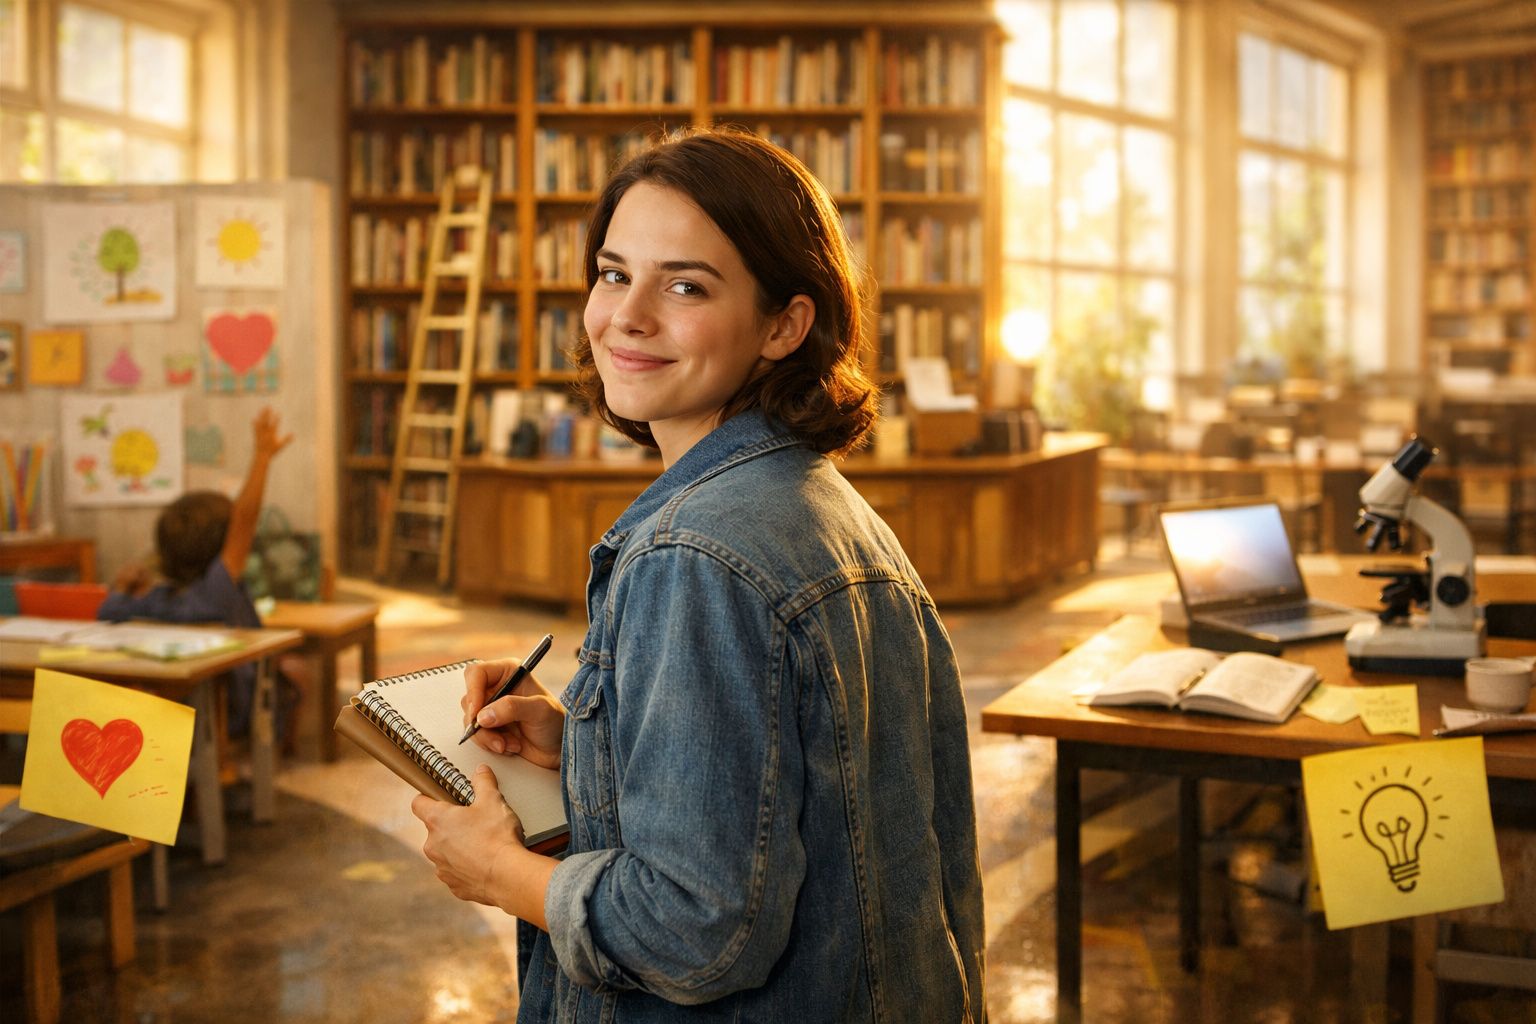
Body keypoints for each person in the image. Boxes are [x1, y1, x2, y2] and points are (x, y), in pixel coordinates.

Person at [412, 128, 986, 1022]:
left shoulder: (697, 554)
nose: (627, 316)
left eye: (685, 285)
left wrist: (504, 875)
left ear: (784, 324)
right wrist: (593, 750)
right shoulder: (817, 502)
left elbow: (695, 931)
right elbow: (811, 791)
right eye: (613, 272)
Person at [100, 406, 293, 734]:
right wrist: (262, 456)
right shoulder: (214, 594)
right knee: (296, 674)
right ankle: (260, 760)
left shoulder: (150, 603)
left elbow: (107, 609)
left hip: (162, 724)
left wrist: (121, 585)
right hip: (226, 717)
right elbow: (243, 523)